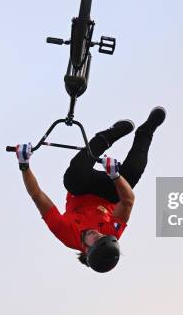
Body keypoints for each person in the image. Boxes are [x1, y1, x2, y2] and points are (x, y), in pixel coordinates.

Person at [14, 106, 166, 273]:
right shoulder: (111, 234)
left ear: (87, 251)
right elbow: (128, 201)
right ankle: (146, 130)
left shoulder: (66, 233)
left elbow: (37, 195)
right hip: (110, 194)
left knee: (72, 179)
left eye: (96, 239)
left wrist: (24, 165)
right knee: (132, 175)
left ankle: (105, 137)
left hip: (81, 188)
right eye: (103, 236)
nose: (98, 234)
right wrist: (115, 176)